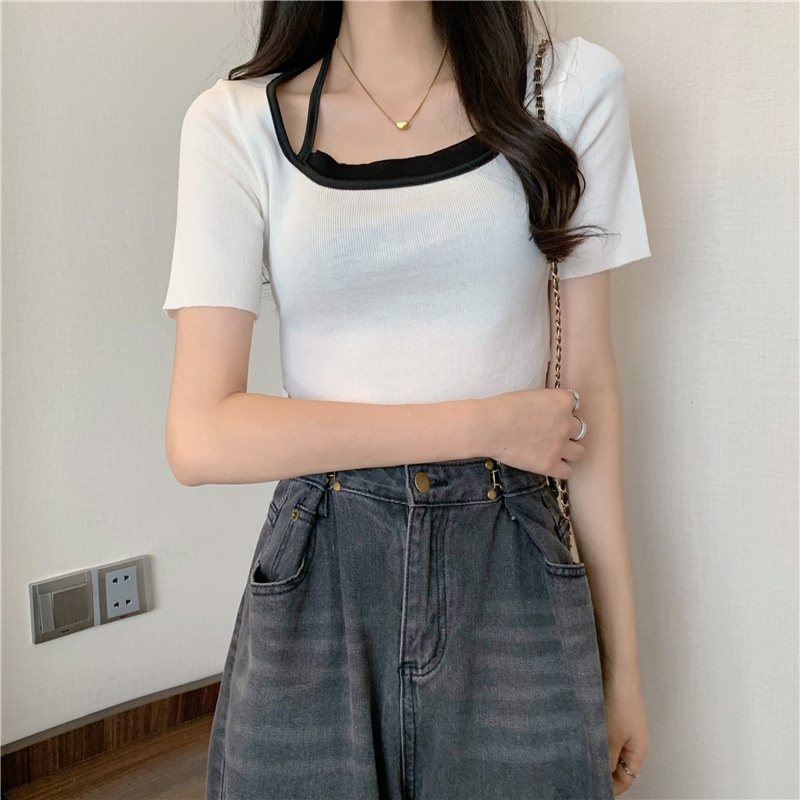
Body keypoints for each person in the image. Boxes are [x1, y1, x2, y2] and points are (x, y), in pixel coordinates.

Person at [162, 1, 652, 798]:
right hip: (322, 564)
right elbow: (200, 434)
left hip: (510, 559)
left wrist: (623, 667)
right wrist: (484, 423)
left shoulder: (564, 91)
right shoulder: (235, 123)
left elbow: (587, 391)